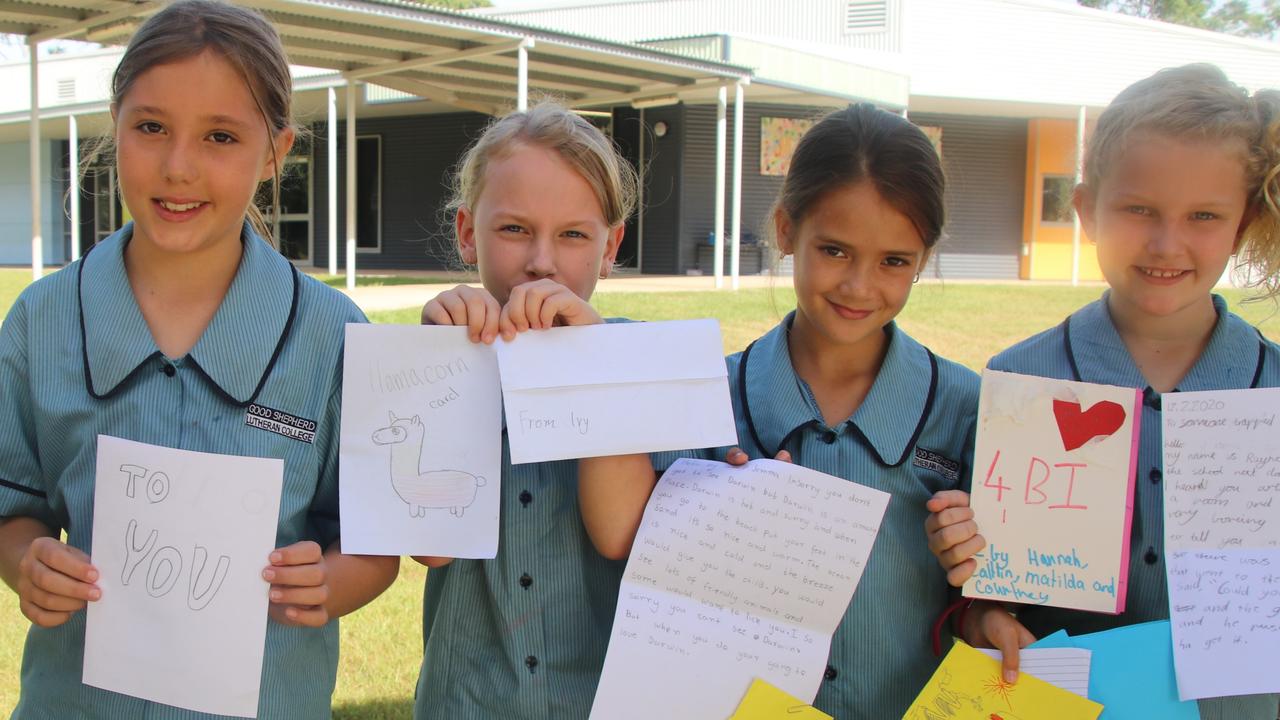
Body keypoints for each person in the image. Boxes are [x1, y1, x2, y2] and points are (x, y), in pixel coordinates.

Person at [0, 2, 398, 716]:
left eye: (220, 136)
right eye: (150, 127)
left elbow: (372, 545)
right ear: (114, 123)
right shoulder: (41, 322)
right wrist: (26, 560)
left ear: (275, 152)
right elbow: (10, 509)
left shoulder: (335, 338)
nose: (178, 166)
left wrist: (331, 583)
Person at [579, 103, 980, 719]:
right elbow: (624, 538)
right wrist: (709, 510)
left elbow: (990, 604)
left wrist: (981, 577)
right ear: (788, 230)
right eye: (836, 251)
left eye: (894, 261)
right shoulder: (706, 394)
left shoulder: (966, 410)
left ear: (923, 258)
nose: (859, 286)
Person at [925, 64, 1280, 720]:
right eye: (1138, 209)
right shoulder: (1020, 383)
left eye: (1204, 215)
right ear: (1086, 210)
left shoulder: (1274, 395)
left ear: (1244, 220)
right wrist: (982, 609)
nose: (1166, 242)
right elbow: (986, 597)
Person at [413, 102, 673, 719]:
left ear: (611, 247)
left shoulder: (647, 364)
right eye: (513, 229)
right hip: (466, 700)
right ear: (467, 232)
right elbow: (432, 548)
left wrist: (592, 363)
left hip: (605, 701)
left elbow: (619, 534)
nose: (542, 262)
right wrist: (438, 367)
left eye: (573, 235)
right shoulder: (441, 358)